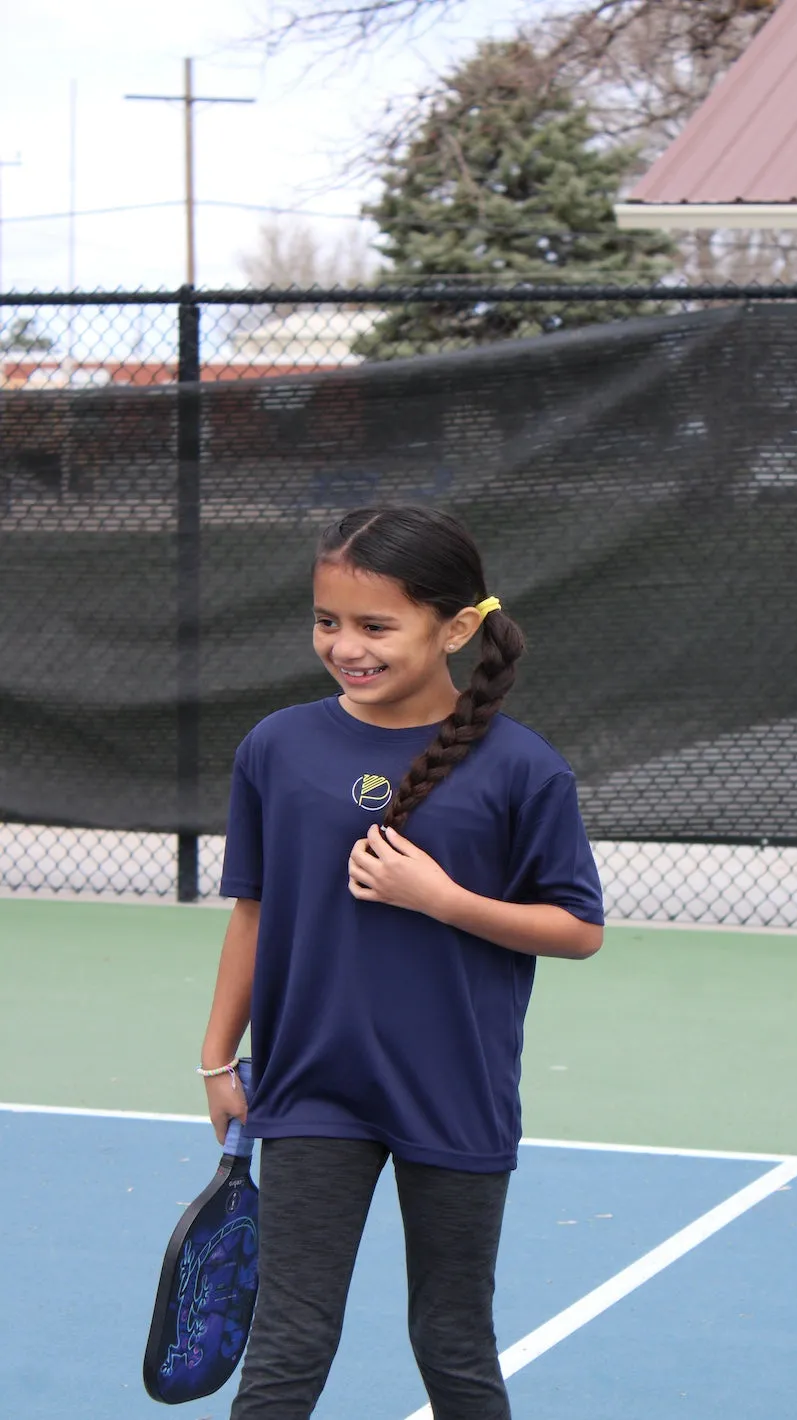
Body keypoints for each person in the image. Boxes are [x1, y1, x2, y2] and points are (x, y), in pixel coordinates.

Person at [199, 504, 605, 1420]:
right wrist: (217, 1059)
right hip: (310, 1088)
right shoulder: (276, 746)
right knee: (288, 1341)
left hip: (454, 1087)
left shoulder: (521, 768)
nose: (346, 646)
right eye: (327, 621)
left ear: (456, 627)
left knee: (452, 1341)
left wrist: (445, 901)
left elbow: (578, 928)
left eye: (375, 626)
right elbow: (251, 912)